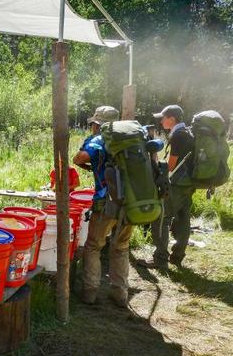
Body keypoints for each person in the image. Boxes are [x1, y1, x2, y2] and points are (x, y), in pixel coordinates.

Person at [72, 105, 132, 307]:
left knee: (93, 246)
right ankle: (120, 294)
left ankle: (89, 292)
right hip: (132, 202)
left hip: (107, 201)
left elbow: (79, 158)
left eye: (92, 125)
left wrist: (86, 152)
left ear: (97, 124)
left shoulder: (99, 139)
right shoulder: (132, 138)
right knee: (121, 247)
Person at [139, 105, 196, 270]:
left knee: (162, 219)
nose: (161, 121)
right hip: (189, 183)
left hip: (177, 184)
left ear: (172, 119)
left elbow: (171, 166)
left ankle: (160, 259)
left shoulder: (178, 135)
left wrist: (155, 165)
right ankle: (177, 257)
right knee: (183, 219)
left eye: (163, 118)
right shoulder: (189, 132)